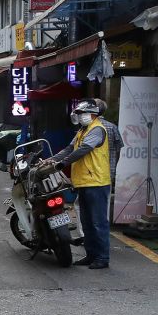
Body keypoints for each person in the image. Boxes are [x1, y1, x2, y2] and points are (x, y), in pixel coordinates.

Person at [49, 100, 113, 269]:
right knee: (86, 222)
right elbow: (69, 148)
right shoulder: (82, 131)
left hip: (97, 182)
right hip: (84, 182)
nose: (79, 117)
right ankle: (91, 255)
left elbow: (84, 149)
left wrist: (63, 163)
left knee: (98, 222)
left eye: (81, 114)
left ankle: (102, 258)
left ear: (92, 114)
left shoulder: (97, 129)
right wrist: (50, 161)